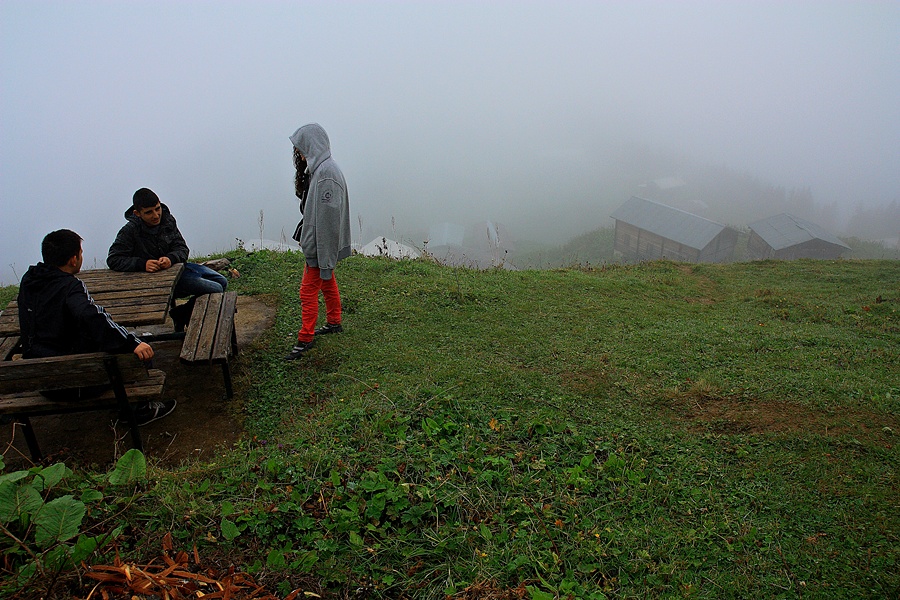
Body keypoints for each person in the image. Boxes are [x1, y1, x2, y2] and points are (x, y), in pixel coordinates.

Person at [17, 229, 176, 424]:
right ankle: (139, 411)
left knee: (104, 341)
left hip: (40, 380)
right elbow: (92, 316)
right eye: (80, 253)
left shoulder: (29, 280)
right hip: (76, 384)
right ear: (73, 260)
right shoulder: (70, 286)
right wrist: (132, 343)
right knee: (138, 354)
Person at [107, 187, 228, 331]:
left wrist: (170, 258)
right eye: (149, 212)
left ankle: (181, 313)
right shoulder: (129, 231)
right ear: (137, 213)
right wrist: (142, 264)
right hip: (157, 282)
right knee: (216, 289)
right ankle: (183, 314)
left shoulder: (167, 220)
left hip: (178, 270)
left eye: (157, 209)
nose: (156, 215)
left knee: (223, 282)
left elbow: (182, 248)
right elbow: (113, 259)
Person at [285, 123, 351, 360]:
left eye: (302, 149)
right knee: (327, 281)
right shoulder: (321, 170)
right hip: (318, 245)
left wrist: (321, 254)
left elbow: (327, 223)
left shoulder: (326, 176)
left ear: (312, 146)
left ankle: (305, 338)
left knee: (307, 291)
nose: (300, 155)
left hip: (320, 246)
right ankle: (334, 321)